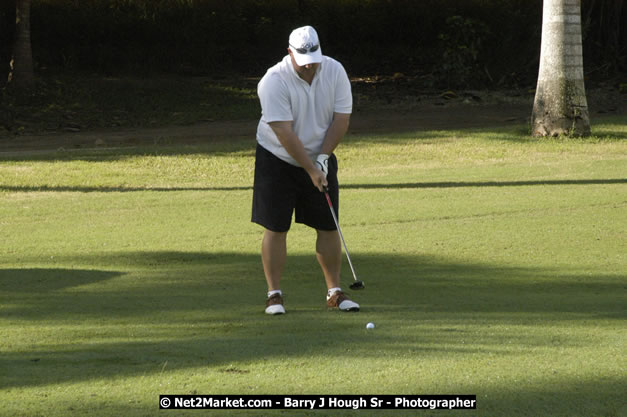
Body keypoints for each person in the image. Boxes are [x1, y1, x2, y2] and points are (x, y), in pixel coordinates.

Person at [252, 25, 360, 315]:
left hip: (320, 154)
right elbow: (284, 133)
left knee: (328, 225)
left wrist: (323, 158)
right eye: (304, 61)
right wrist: (311, 169)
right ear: (290, 53)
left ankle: (335, 292)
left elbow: (341, 119)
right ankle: (274, 295)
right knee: (276, 226)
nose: (311, 67)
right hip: (277, 157)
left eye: (314, 60)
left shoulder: (335, 71)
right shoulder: (273, 81)